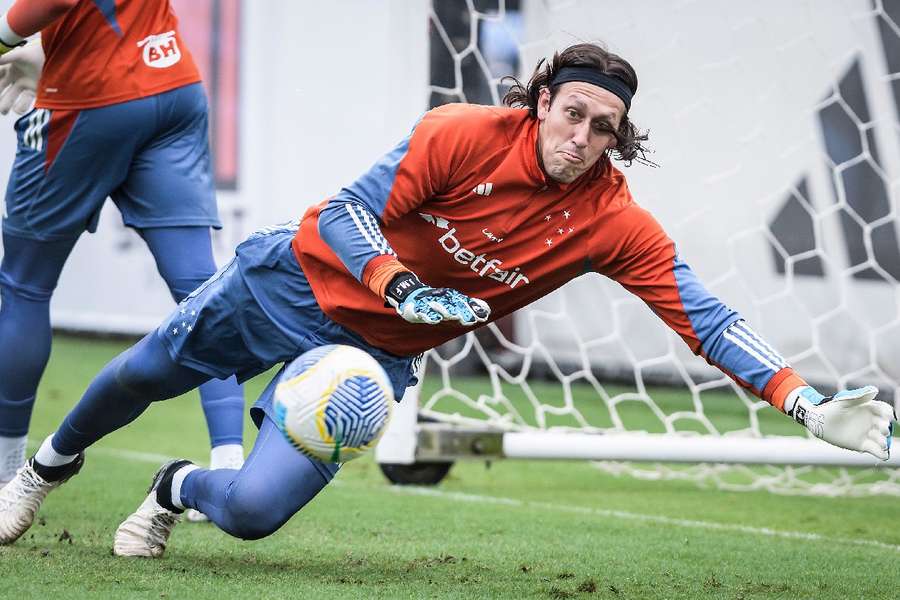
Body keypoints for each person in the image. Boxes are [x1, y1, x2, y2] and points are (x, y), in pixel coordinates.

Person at [0, 42, 894, 556]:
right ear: (540, 102)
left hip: (371, 358)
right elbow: (346, 212)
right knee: (143, 373)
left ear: (619, 140)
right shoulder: (461, 133)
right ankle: (42, 471)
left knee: (252, 516)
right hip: (293, 285)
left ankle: (176, 485)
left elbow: (704, 318)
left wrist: (803, 401)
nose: (582, 138)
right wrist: (401, 285)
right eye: (572, 113)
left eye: (604, 128)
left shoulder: (613, 222)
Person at [0, 0, 245, 520]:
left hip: (89, 101)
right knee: (199, 291)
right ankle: (229, 463)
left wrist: (8, 37)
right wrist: (53, 49)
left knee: (24, 285)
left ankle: (4, 472)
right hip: (170, 82)